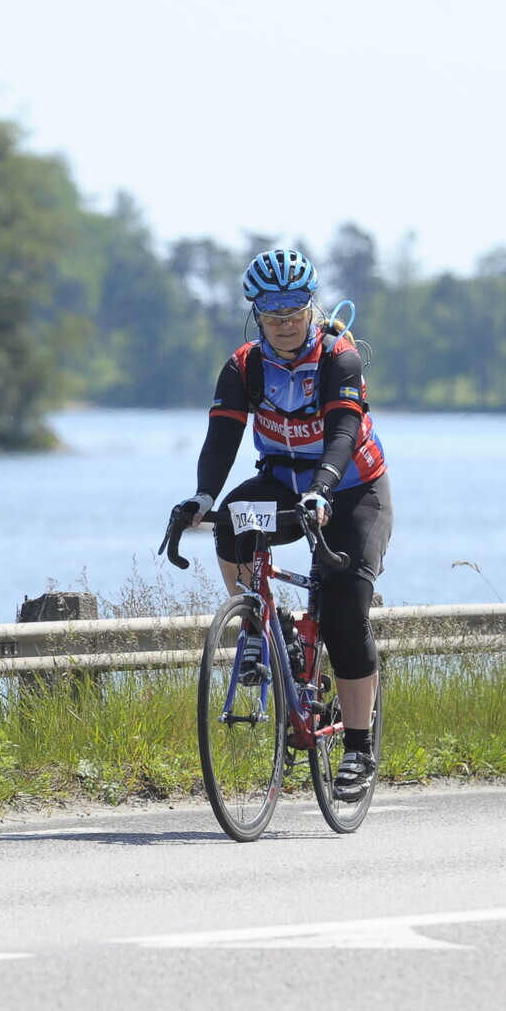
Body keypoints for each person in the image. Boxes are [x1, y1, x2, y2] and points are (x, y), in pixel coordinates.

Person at [171, 248, 392, 799]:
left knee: (343, 610)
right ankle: (264, 629)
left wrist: (322, 490)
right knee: (231, 520)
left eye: (295, 310)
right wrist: (202, 495)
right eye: (273, 313)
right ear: (257, 314)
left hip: (351, 489)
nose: (286, 323)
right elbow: (221, 439)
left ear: (311, 307)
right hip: (282, 483)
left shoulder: (338, 358)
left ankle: (358, 749)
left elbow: (342, 433)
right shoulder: (245, 366)